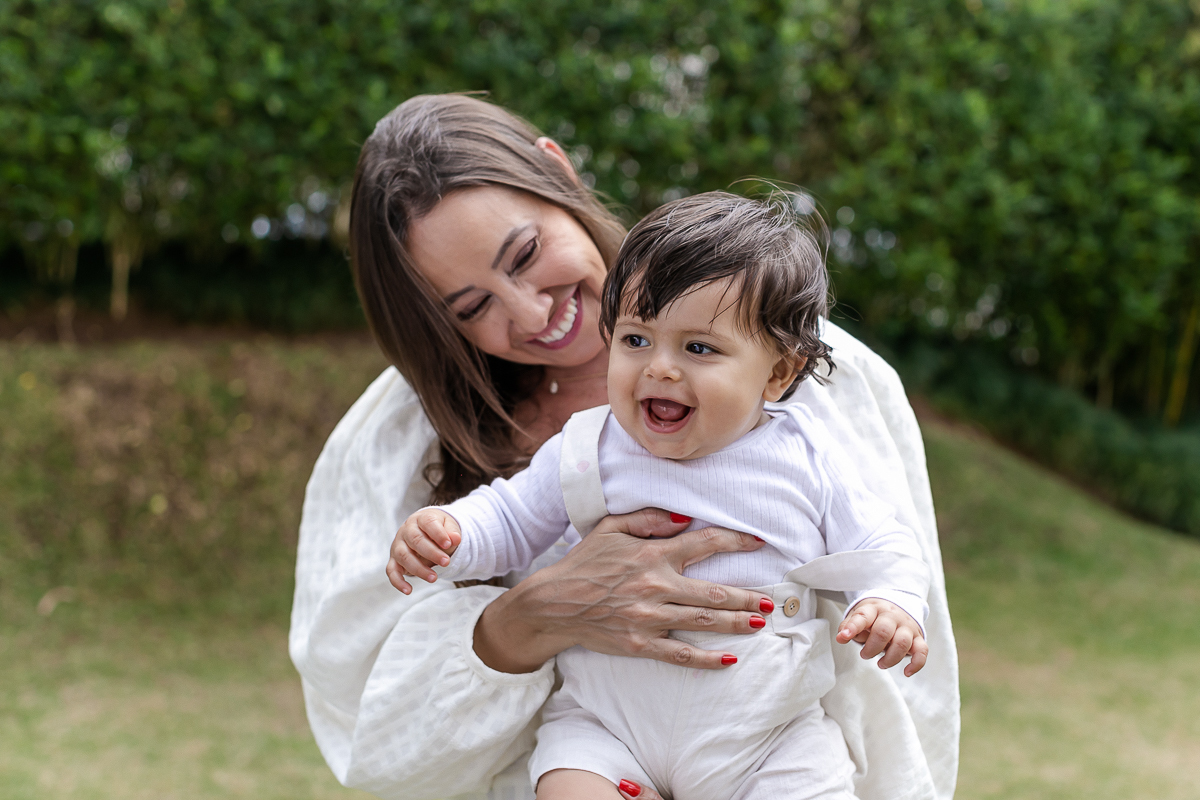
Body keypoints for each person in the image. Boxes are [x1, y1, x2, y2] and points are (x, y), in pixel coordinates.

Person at [289, 93, 959, 800]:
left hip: (767, 753)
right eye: (472, 308)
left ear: (558, 170)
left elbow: (902, 685)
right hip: (595, 755)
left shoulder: (821, 381)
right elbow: (369, 728)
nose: (531, 312)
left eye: (524, 255)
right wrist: (527, 616)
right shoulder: (403, 435)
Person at [388, 191, 932, 800]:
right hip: (608, 728)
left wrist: (890, 602)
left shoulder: (807, 454)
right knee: (569, 783)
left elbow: (882, 542)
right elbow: (511, 517)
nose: (660, 368)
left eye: (699, 348)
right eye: (636, 339)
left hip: (766, 739)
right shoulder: (588, 445)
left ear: (779, 373)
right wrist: (451, 535)